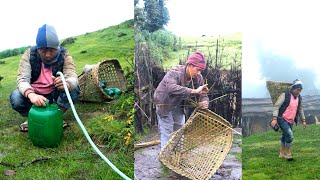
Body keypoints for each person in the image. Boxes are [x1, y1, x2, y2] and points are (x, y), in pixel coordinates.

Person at [10, 24, 80, 132]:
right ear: (38, 49)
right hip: (34, 94)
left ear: (57, 47)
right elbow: (22, 79)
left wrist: (67, 83)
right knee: (16, 97)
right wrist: (31, 94)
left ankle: (55, 116)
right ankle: (33, 118)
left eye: (52, 50)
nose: (47, 55)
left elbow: (72, 76)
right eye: (43, 50)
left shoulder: (64, 55)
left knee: (74, 89)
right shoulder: (29, 54)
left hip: (54, 94)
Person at [154, 52, 209, 148]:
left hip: (179, 104)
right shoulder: (175, 73)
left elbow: (203, 93)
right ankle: (165, 159)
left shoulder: (198, 78)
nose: (199, 73)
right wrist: (193, 91)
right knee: (167, 131)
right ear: (190, 65)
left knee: (179, 128)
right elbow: (171, 88)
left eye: (201, 71)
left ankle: (178, 155)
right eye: (198, 70)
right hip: (164, 103)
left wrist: (204, 101)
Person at [270, 79, 307, 160]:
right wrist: (275, 118)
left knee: (285, 135)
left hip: (290, 121)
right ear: (293, 88)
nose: (299, 91)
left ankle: (281, 153)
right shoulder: (285, 95)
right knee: (289, 135)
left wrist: (303, 120)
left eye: (300, 90)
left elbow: (300, 109)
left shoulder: (299, 98)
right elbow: (276, 106)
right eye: (298, 89)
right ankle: (288, 154)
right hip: (282, 118)